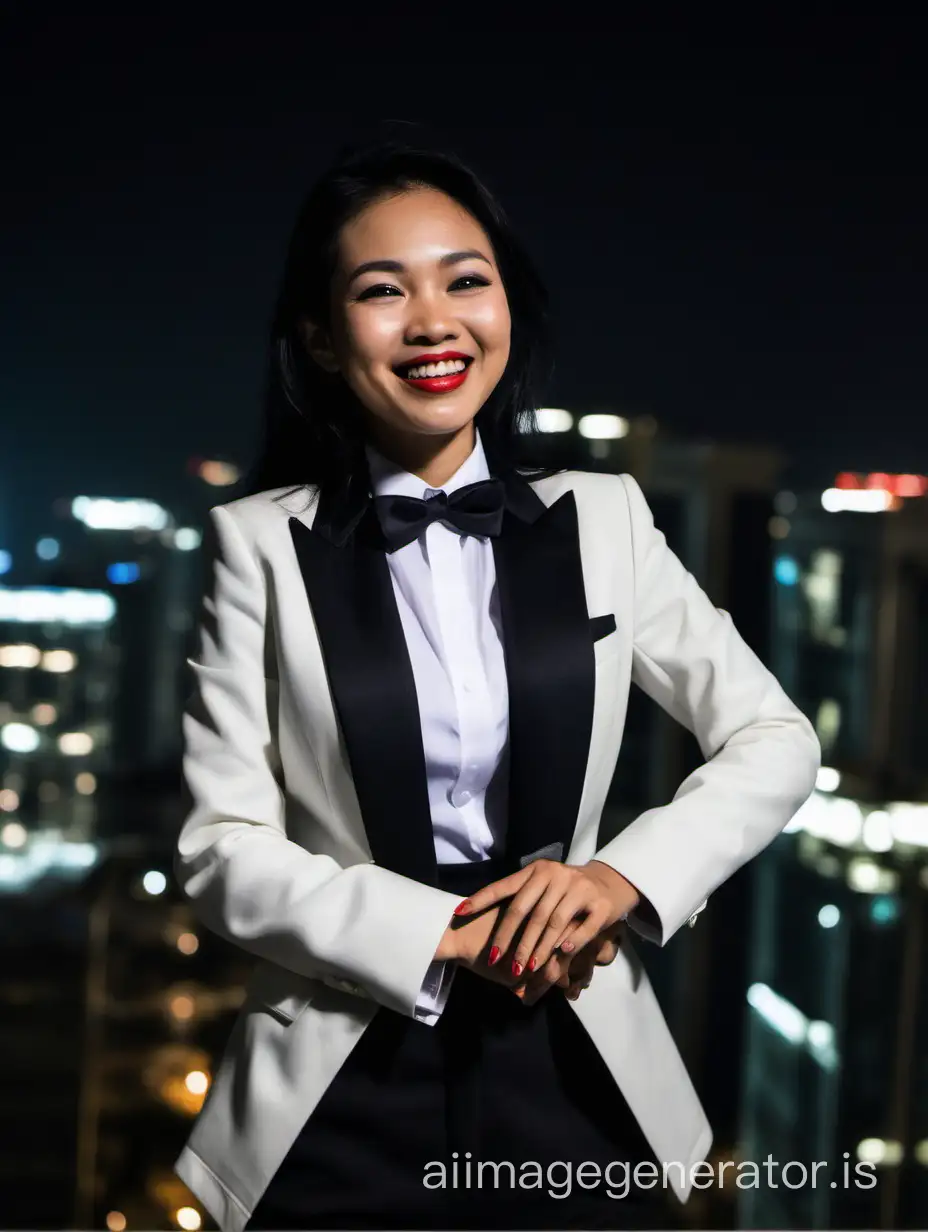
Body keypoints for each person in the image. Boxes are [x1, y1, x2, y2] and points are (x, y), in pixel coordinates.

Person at [172, 139, 821, 1231]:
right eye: (384, 291)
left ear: (508, 304)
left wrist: (619, 879)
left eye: (465, 279)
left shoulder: (603, 518)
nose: (434, 319)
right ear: (323, 338)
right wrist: (443, 932)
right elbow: (217, 848)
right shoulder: (257, 546)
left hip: (575, 1057)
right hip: (344, 1080)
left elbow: (774, 735)